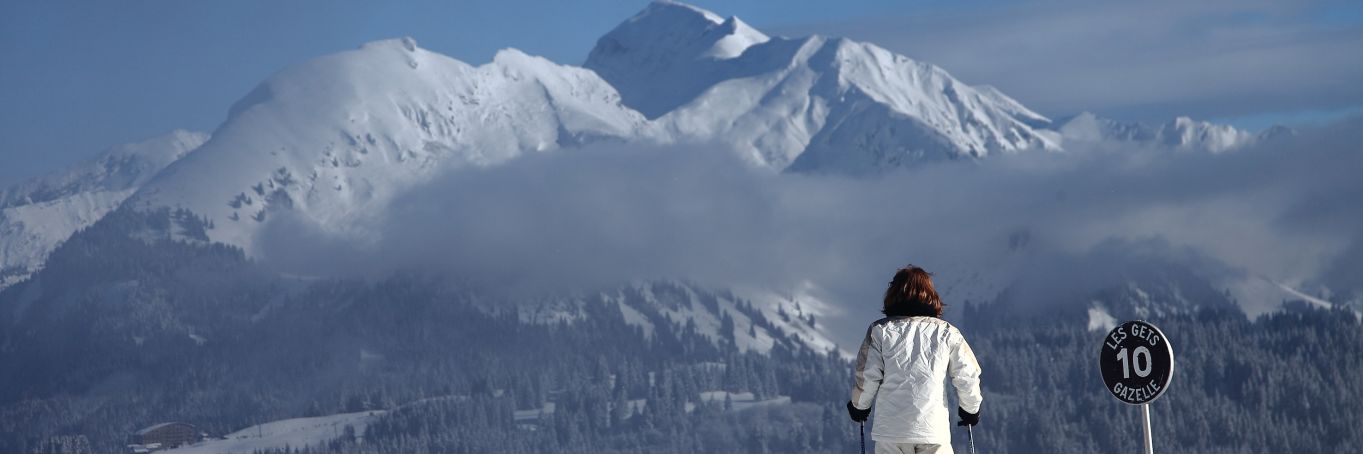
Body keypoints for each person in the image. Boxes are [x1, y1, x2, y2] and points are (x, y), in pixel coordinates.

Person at [847, 266, 982, 454]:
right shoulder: (948, 333)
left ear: (893, 293)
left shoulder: (880, 331)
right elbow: (967, 375)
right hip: (933, 431)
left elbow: (867, 375)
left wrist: (859, 407)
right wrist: (970, 410)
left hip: (891, 434)